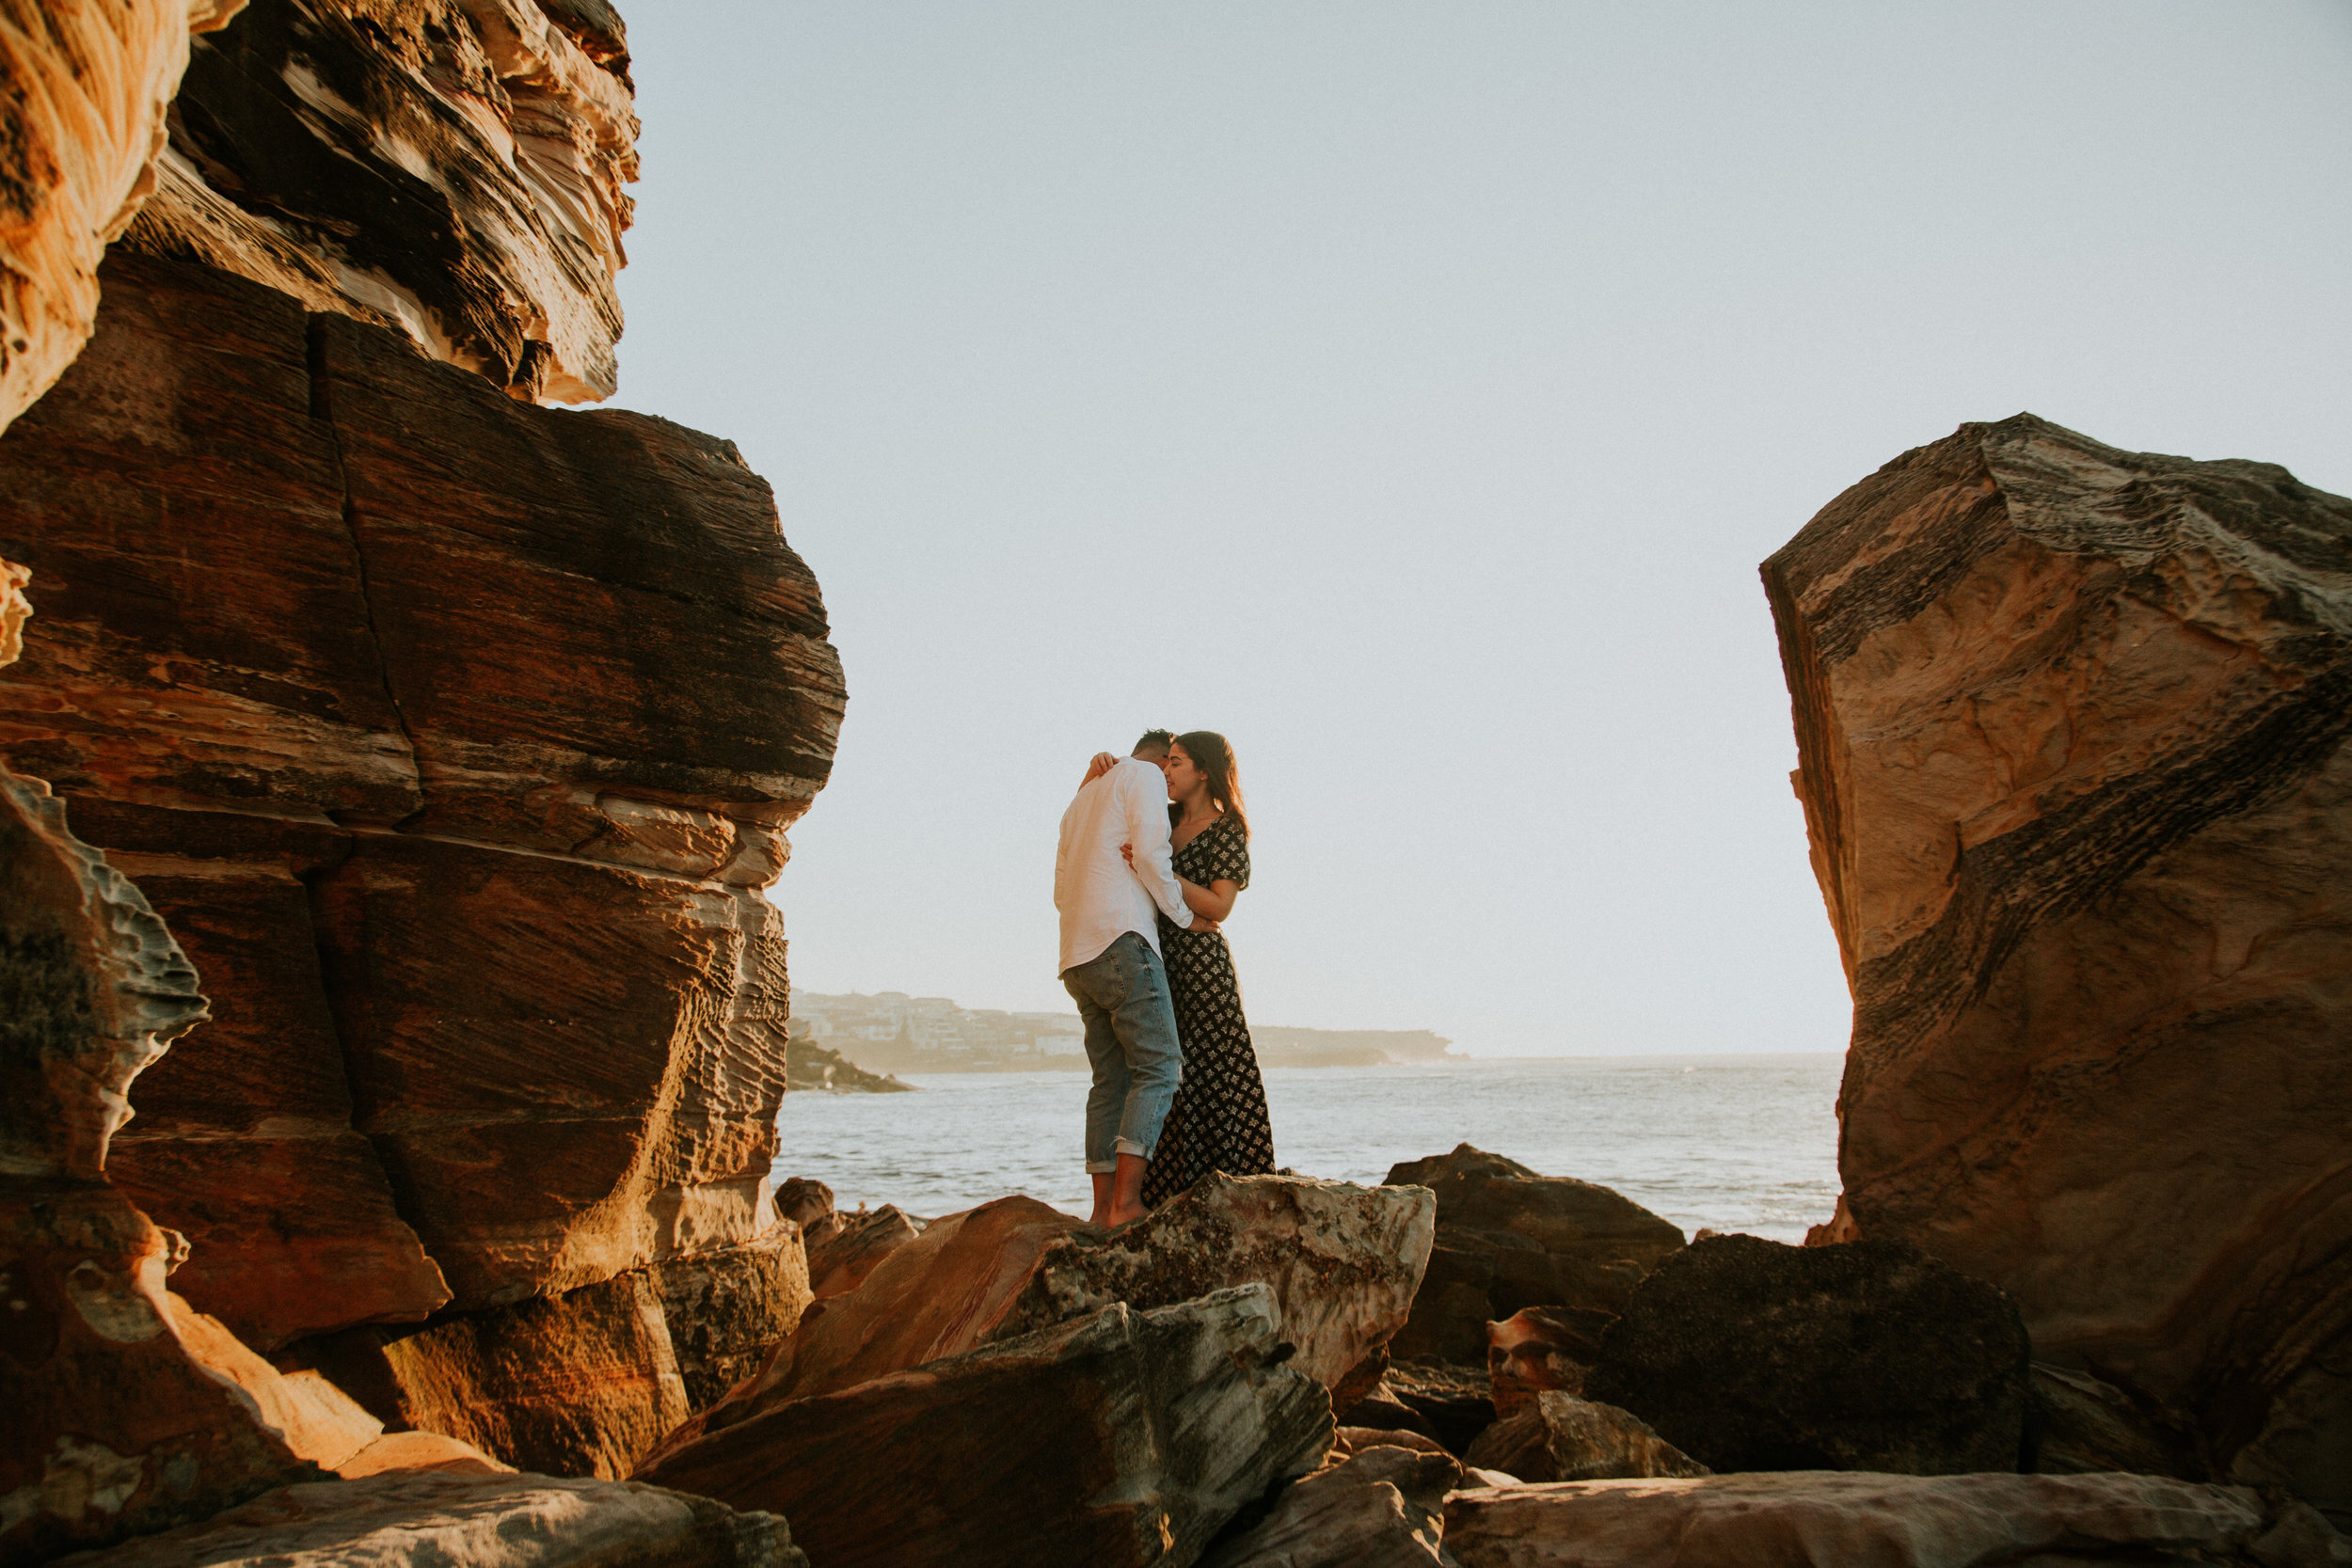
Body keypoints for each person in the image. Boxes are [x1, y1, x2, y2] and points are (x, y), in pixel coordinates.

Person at [1089, 730, 1277, 1207]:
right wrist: (1097, 773)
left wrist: (1160, 871)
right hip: (1158, 957)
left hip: (1202, 964)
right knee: (1165, 1078)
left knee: (1216, 1072)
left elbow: (1219, 906)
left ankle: (1236, 1190)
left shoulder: (1227, 828)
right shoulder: (1161, 816)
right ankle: (1163, 1196)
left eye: (1175, 762)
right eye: (1165, 762)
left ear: (1204, 771)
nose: (1165, 771)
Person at [1055, 728, 1217, 1227]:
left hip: (1076, 953)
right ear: (1158, 755)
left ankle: (1101, 1210)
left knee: (1110, 1081)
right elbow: (1150, 855)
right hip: (1121, 938)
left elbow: (1060, 885)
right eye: (1170, 761)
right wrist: (1185, 917)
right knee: (1161, 1067)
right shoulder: (1143, 774)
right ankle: (1126, 1205)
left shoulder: (1081, 799)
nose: (1171, 774)